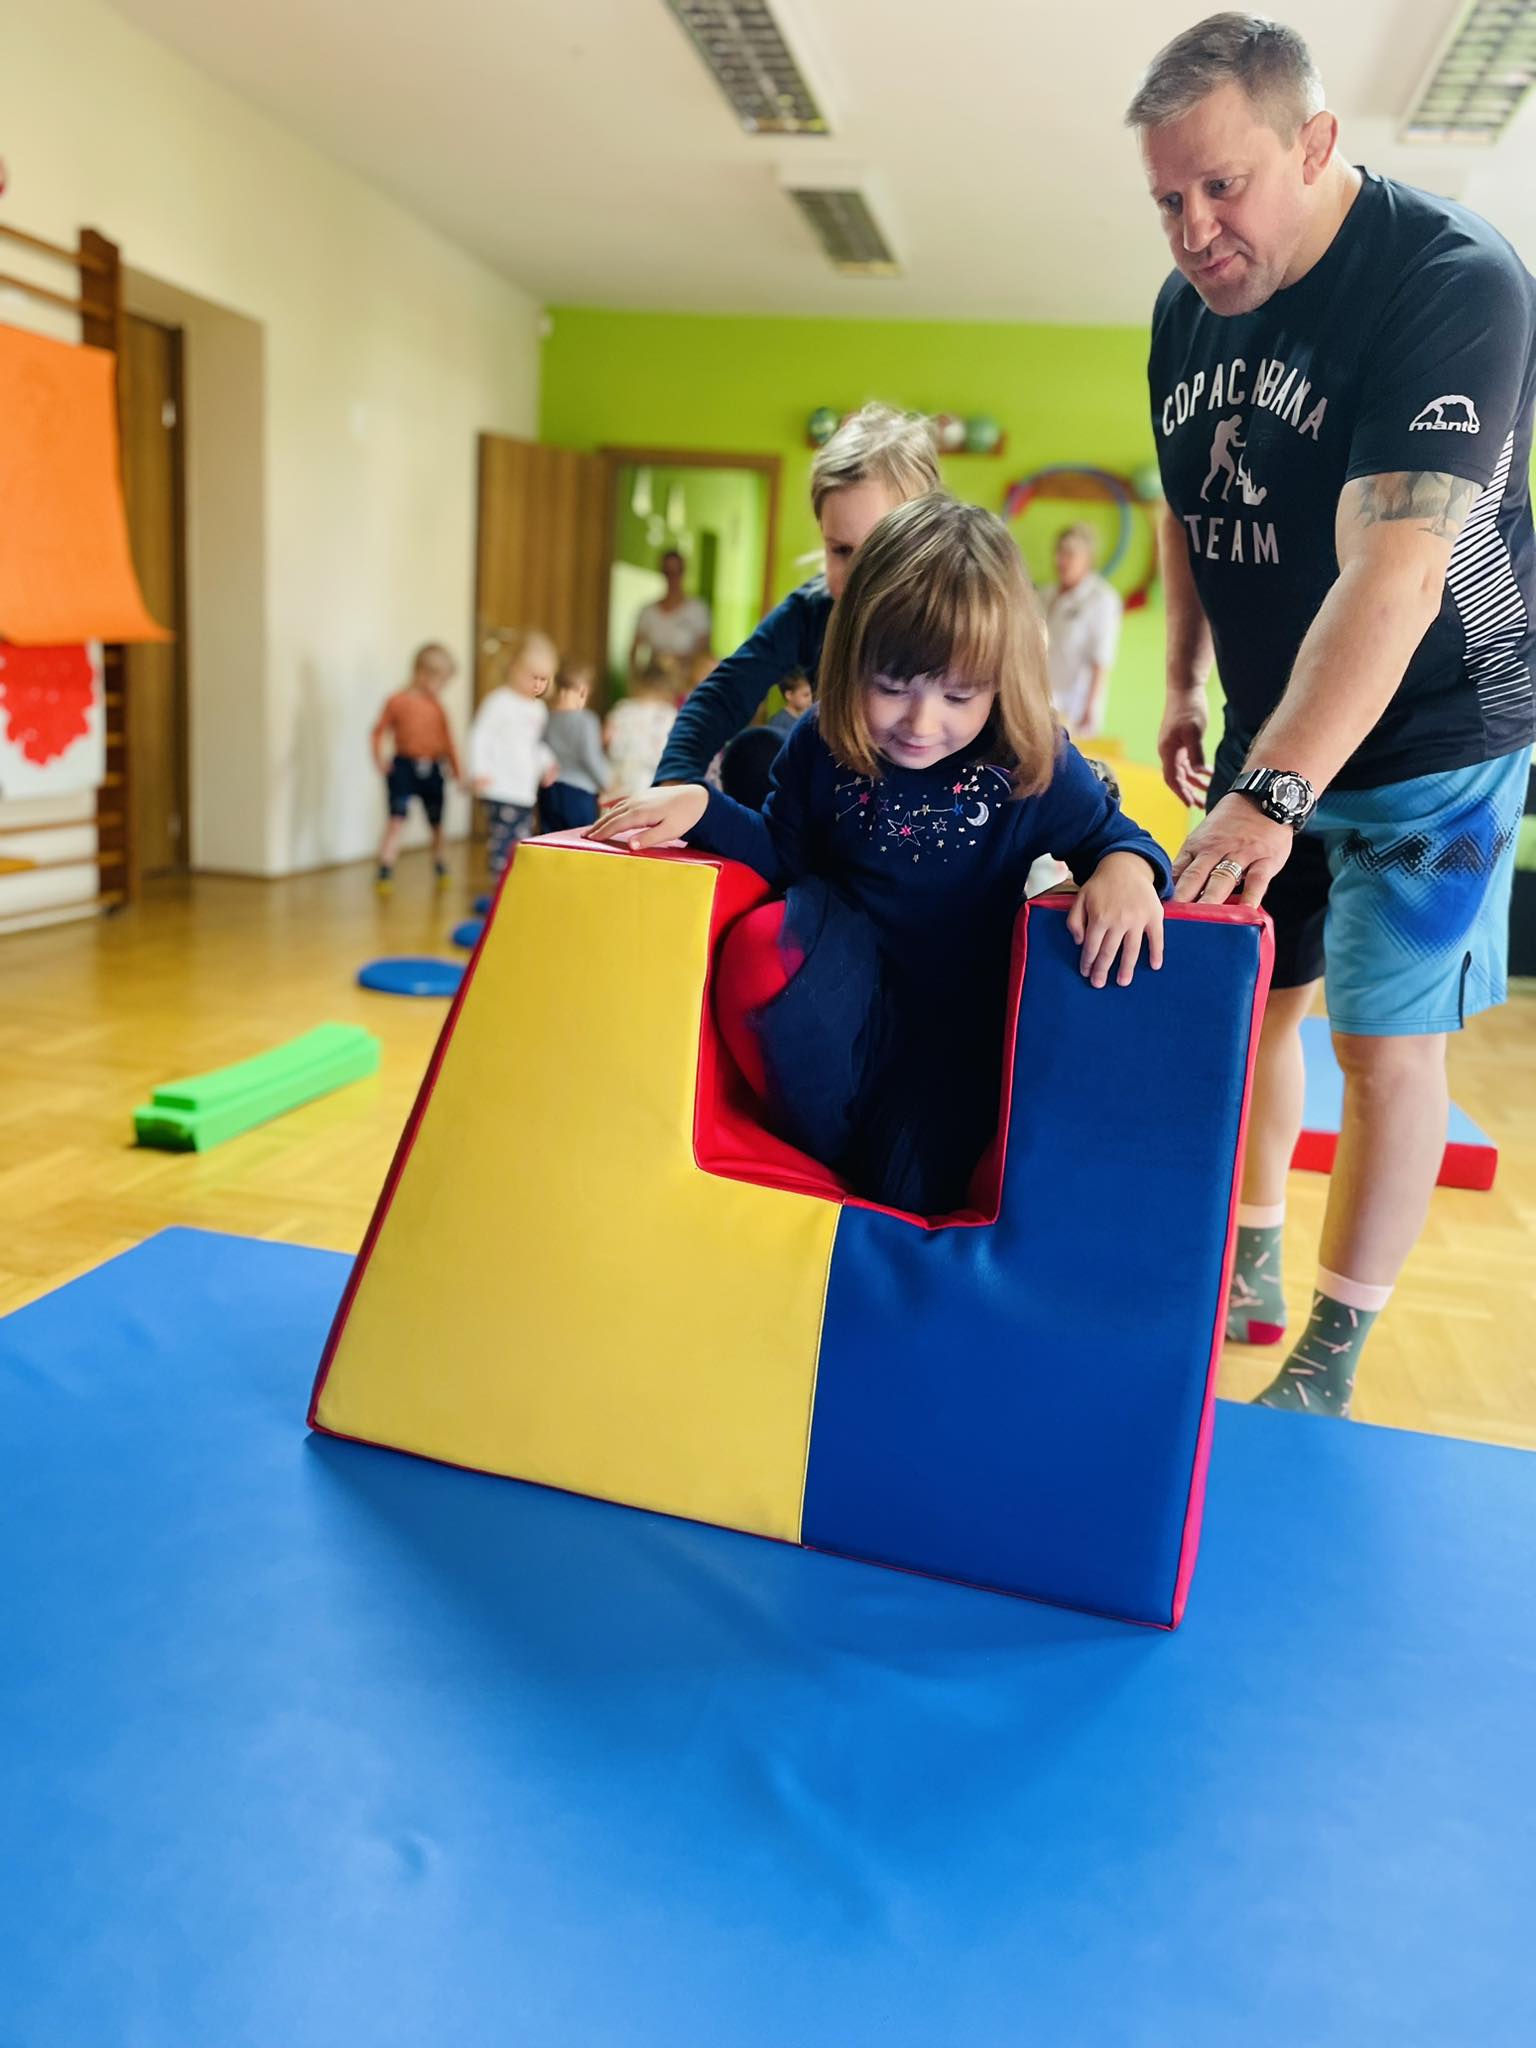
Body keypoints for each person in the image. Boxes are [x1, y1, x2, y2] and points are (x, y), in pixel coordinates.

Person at [1129, 14, 1536, 1416]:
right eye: (1168, 199)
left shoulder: (1452, 281)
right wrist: (1182, 682)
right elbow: (1189, 503)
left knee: (1381, 1043)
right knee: (1254, 1000)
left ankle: (1332, 1353)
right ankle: (1248, 1259)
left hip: (1439, 735)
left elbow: (1400, 569)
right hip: (1270, 722)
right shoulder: (1187, 308)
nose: (1194, 229)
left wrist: (1270, 790)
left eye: (1222, 185)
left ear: (1314, 145)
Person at [590, 495, 1169, 1215]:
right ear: (850, 662)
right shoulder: (821, 742)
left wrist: (1126, 869)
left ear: (1001, 681)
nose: (922, 722)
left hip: (953, 1030)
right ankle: (822, 1152)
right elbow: (781, 857)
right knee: (779, 946)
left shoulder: (1029, 760)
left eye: (959, 696)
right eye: (891, 688)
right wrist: (702, 807)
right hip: (846, 991)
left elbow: (1117, 837)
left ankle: (856, 1164)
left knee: (904, 1189)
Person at [653, 402, 943, 782]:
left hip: (935, 802)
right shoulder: (811, 610)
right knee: (754, 758)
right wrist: (672, 781)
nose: (859, 578)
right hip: (840, 793)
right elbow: (724, 694)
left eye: (880, 552)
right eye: (842, 551)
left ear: (928, 541)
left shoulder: (957, 616)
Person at [371, 642, 463, 894]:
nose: (442, 689)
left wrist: (457, 771)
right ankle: (385, 869)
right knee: (396, 820)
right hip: (404, 767)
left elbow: (448, 741)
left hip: (432, 768)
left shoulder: (438, 708)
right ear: (422, 674)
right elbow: (378, 731)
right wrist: (379, 758)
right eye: (440, 682)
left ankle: (440, 865)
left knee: (437, 824)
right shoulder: (397, 701)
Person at [467, 629, 558, 877]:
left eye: (543, 679)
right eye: (532, 676)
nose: (537, 684)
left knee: (520, 840)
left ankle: (510, 883)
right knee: (503, 840)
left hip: (523, 789)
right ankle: (499, 886)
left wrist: (547, 763)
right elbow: (480, 736)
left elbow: (534, 744)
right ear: (514, 668)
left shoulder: (538, 709)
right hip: (500, 786)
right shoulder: (499, 702)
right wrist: (478, 770)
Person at [1044, 525, 1123, 740]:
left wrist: (1089, 709)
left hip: (1075, 708)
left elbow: (1101, 659)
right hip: (1044, 700)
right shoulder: (1046, 594)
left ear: (1087, 558)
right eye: (1059, 552)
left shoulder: (1102, 599)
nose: (1060, 560)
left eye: (1069, 554)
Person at [540, 664, 611, 833]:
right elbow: (591, 757)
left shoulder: (546, 718)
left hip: (549, 791)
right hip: (579, 793)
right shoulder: (586, 720)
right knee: (579, 839)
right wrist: (607, 783)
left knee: (550, 841)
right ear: (583, 691)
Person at [604, 657, 680, 799]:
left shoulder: (622, 709)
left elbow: (607, 739)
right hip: (652, 781)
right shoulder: (669, 714)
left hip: (619, 778)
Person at [630, 550, 712, 677]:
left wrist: (680, 662)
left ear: (683, 573)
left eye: (677, 572)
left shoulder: (697, 610)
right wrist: (635, 677)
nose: (673, 578)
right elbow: (634, 649)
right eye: (668, 572)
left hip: (687, 679)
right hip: (655, 680)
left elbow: (704, 650)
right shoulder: (648, 612)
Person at [766, 670, 815, 736]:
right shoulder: (778, 721)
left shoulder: (810, 717)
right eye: (805, 695)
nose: (810, 699)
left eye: (811, 694)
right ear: (789, 695)